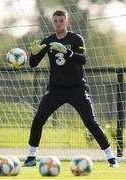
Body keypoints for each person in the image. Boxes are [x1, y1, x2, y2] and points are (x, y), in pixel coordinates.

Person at [22, 9, 118, 167]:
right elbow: (33, 64)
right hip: (56, 89)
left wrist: (67, 52)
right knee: (38, 119)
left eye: (61, 20)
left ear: (66, 22)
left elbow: (82, 59)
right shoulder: (48, 41)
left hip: (77, 88)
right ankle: (31, 157)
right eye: (55, 21)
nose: (58, 23)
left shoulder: (76, 38)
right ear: (52, 23)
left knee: (90, 122)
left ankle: (111, 157)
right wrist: (33, 54)